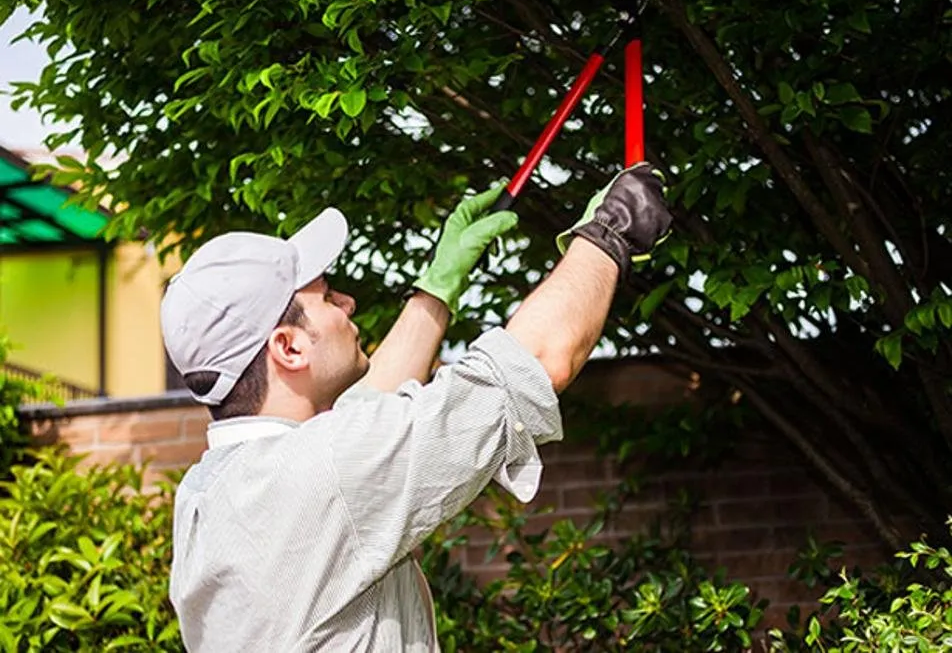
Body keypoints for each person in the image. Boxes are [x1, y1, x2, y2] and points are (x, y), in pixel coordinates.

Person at [160, 163, 673, 652]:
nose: (347, 304)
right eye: (327, 296)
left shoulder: (210, 490)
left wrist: (439, 284)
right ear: (289, 348)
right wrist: (609, 234)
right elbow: (531, 365)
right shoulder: (322, 473)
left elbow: (366, 420)